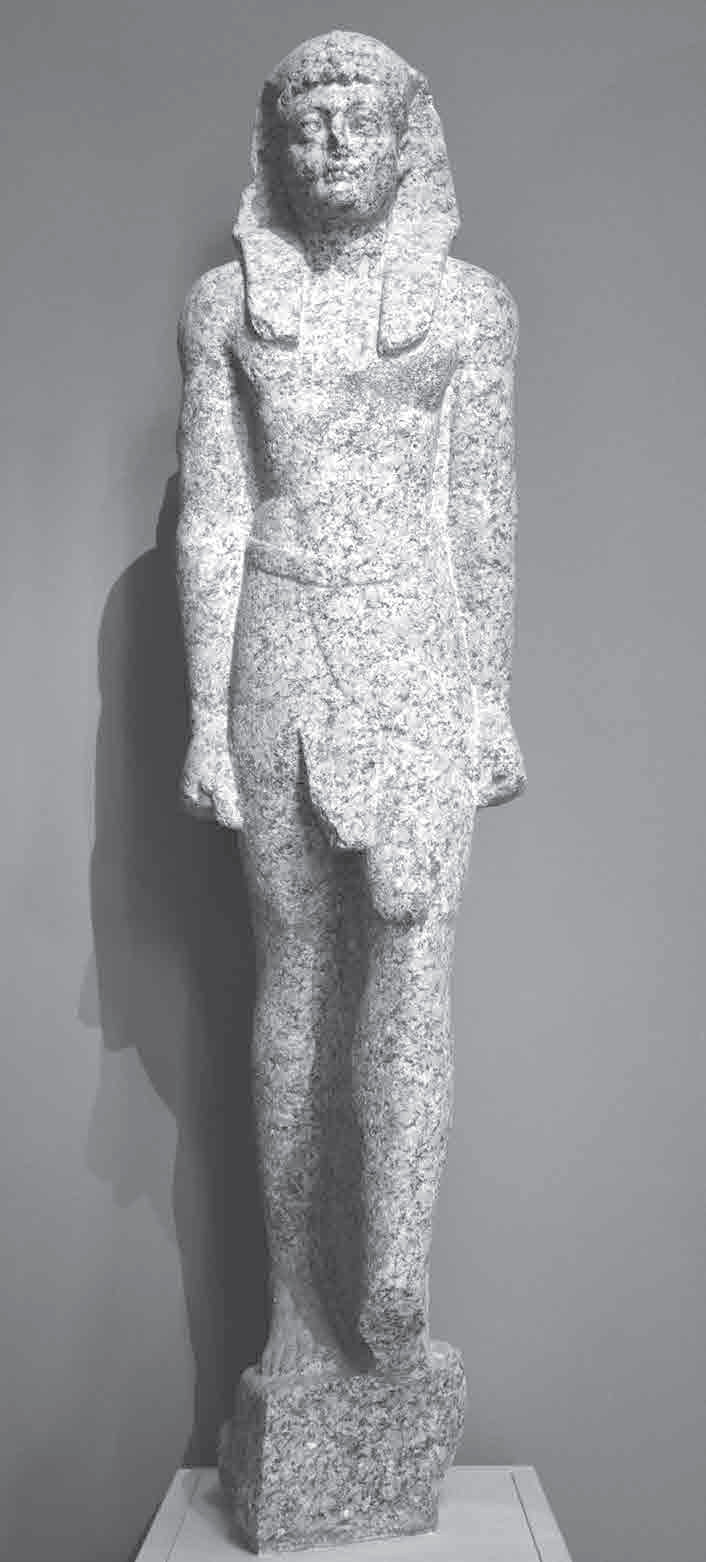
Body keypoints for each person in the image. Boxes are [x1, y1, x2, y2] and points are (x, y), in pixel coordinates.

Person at [176, 30, 525, 1378]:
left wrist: (486, 698)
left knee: (413, 964)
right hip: (278, 639)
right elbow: (215, 515)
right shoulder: (225, 305)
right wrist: (203, 713)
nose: (330, 145)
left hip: (416, 654)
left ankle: (390, 1275)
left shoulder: (469, 308)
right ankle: (292, 1309)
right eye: (307, 123)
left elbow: (478, 513)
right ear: (274, 148)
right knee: (296, 975)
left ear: (404, 142)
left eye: (357, 122)